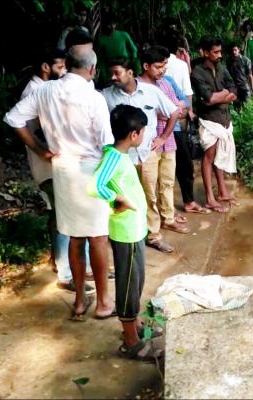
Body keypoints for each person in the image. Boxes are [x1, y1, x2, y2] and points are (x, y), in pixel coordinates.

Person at [4, 46, 116, 321]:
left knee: (75, 237)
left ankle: (80, 300)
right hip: (92, 169)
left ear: (66, 64)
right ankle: (103, 302)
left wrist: (40, 148)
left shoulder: (44, 91)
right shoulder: (94, 97)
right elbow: (107, 144)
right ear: (91, 69)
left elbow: (14, 119)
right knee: (98, 236)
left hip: (62, 171)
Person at [88, 104, 164, 361]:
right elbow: (94, 185)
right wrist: (119, 200)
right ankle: (130, 340)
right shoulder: (112, 158)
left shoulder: (118, 156)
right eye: (143, 131)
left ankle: (134, 326)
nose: (143, 135)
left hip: (134, 229)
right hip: (125, 232)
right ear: (134, 134)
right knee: (129, 285)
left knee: (137, 281)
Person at [20, 49, 95, 294]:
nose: (65, 72)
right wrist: (41, 150)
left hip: (61, 166)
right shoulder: (36, 92)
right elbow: (18, 123)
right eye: (61, 67)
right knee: (68, 218)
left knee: (62, 215)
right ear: (45, 67)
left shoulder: (49, 89)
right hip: (51, 168)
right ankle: (67, 273)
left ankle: (75, 266)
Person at [101, 57, 183, 253]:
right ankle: (122, 235)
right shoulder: (105, 96)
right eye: (111, 73)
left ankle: (153, 235)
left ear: (130, 72)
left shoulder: (151, 92)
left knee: (149, 195)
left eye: (117, 73)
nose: (113, 77)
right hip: (121, 157)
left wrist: (163, 137)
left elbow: (173, 112)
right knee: (121, 196)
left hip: (147, 154)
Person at [137, 45, 191, 234]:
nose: (163, 70)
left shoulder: (166, 83)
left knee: (167, 182)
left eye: (164, 66)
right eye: (159, 66)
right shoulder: (137, 87)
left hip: (167, 140)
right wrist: (169, 111)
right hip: (148, 144)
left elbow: (181, 107)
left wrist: (169, 119)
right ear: (145, 65)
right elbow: (154, 113)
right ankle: (152, 229)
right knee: (149, 187)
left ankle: (168, 217)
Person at [191, 38, 238, 213]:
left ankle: (222, 192)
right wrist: (225, 95)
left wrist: (222, 95)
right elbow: (208, 98)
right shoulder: (197, 73)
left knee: (221, 155)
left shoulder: (222, 68)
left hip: (224, 119)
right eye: (215, 52)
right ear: (204, 52)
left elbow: (234, 90)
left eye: (220, 51)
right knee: (209, 157)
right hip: (209, 121)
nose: (219, 55)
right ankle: (210, 198)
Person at [95, 15, 139, 87]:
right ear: (105, 25)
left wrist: (132, 61)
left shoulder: (123, 35)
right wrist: (103, 72)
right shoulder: (101, 40)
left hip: (125, 63)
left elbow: (134, 49)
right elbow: (100, 58)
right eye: (109, 24)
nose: (112, 26)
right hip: (110, 66)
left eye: (113, 24)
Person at [227, 44, 253, 109]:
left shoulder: (245, 60)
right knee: (237, 106)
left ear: (238, 50)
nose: (234, 52)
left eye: (235, 50)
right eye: (232, 50)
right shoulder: (229, 61)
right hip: (234, 86)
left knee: (247, 105)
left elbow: (250, 75)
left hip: (244, 85)